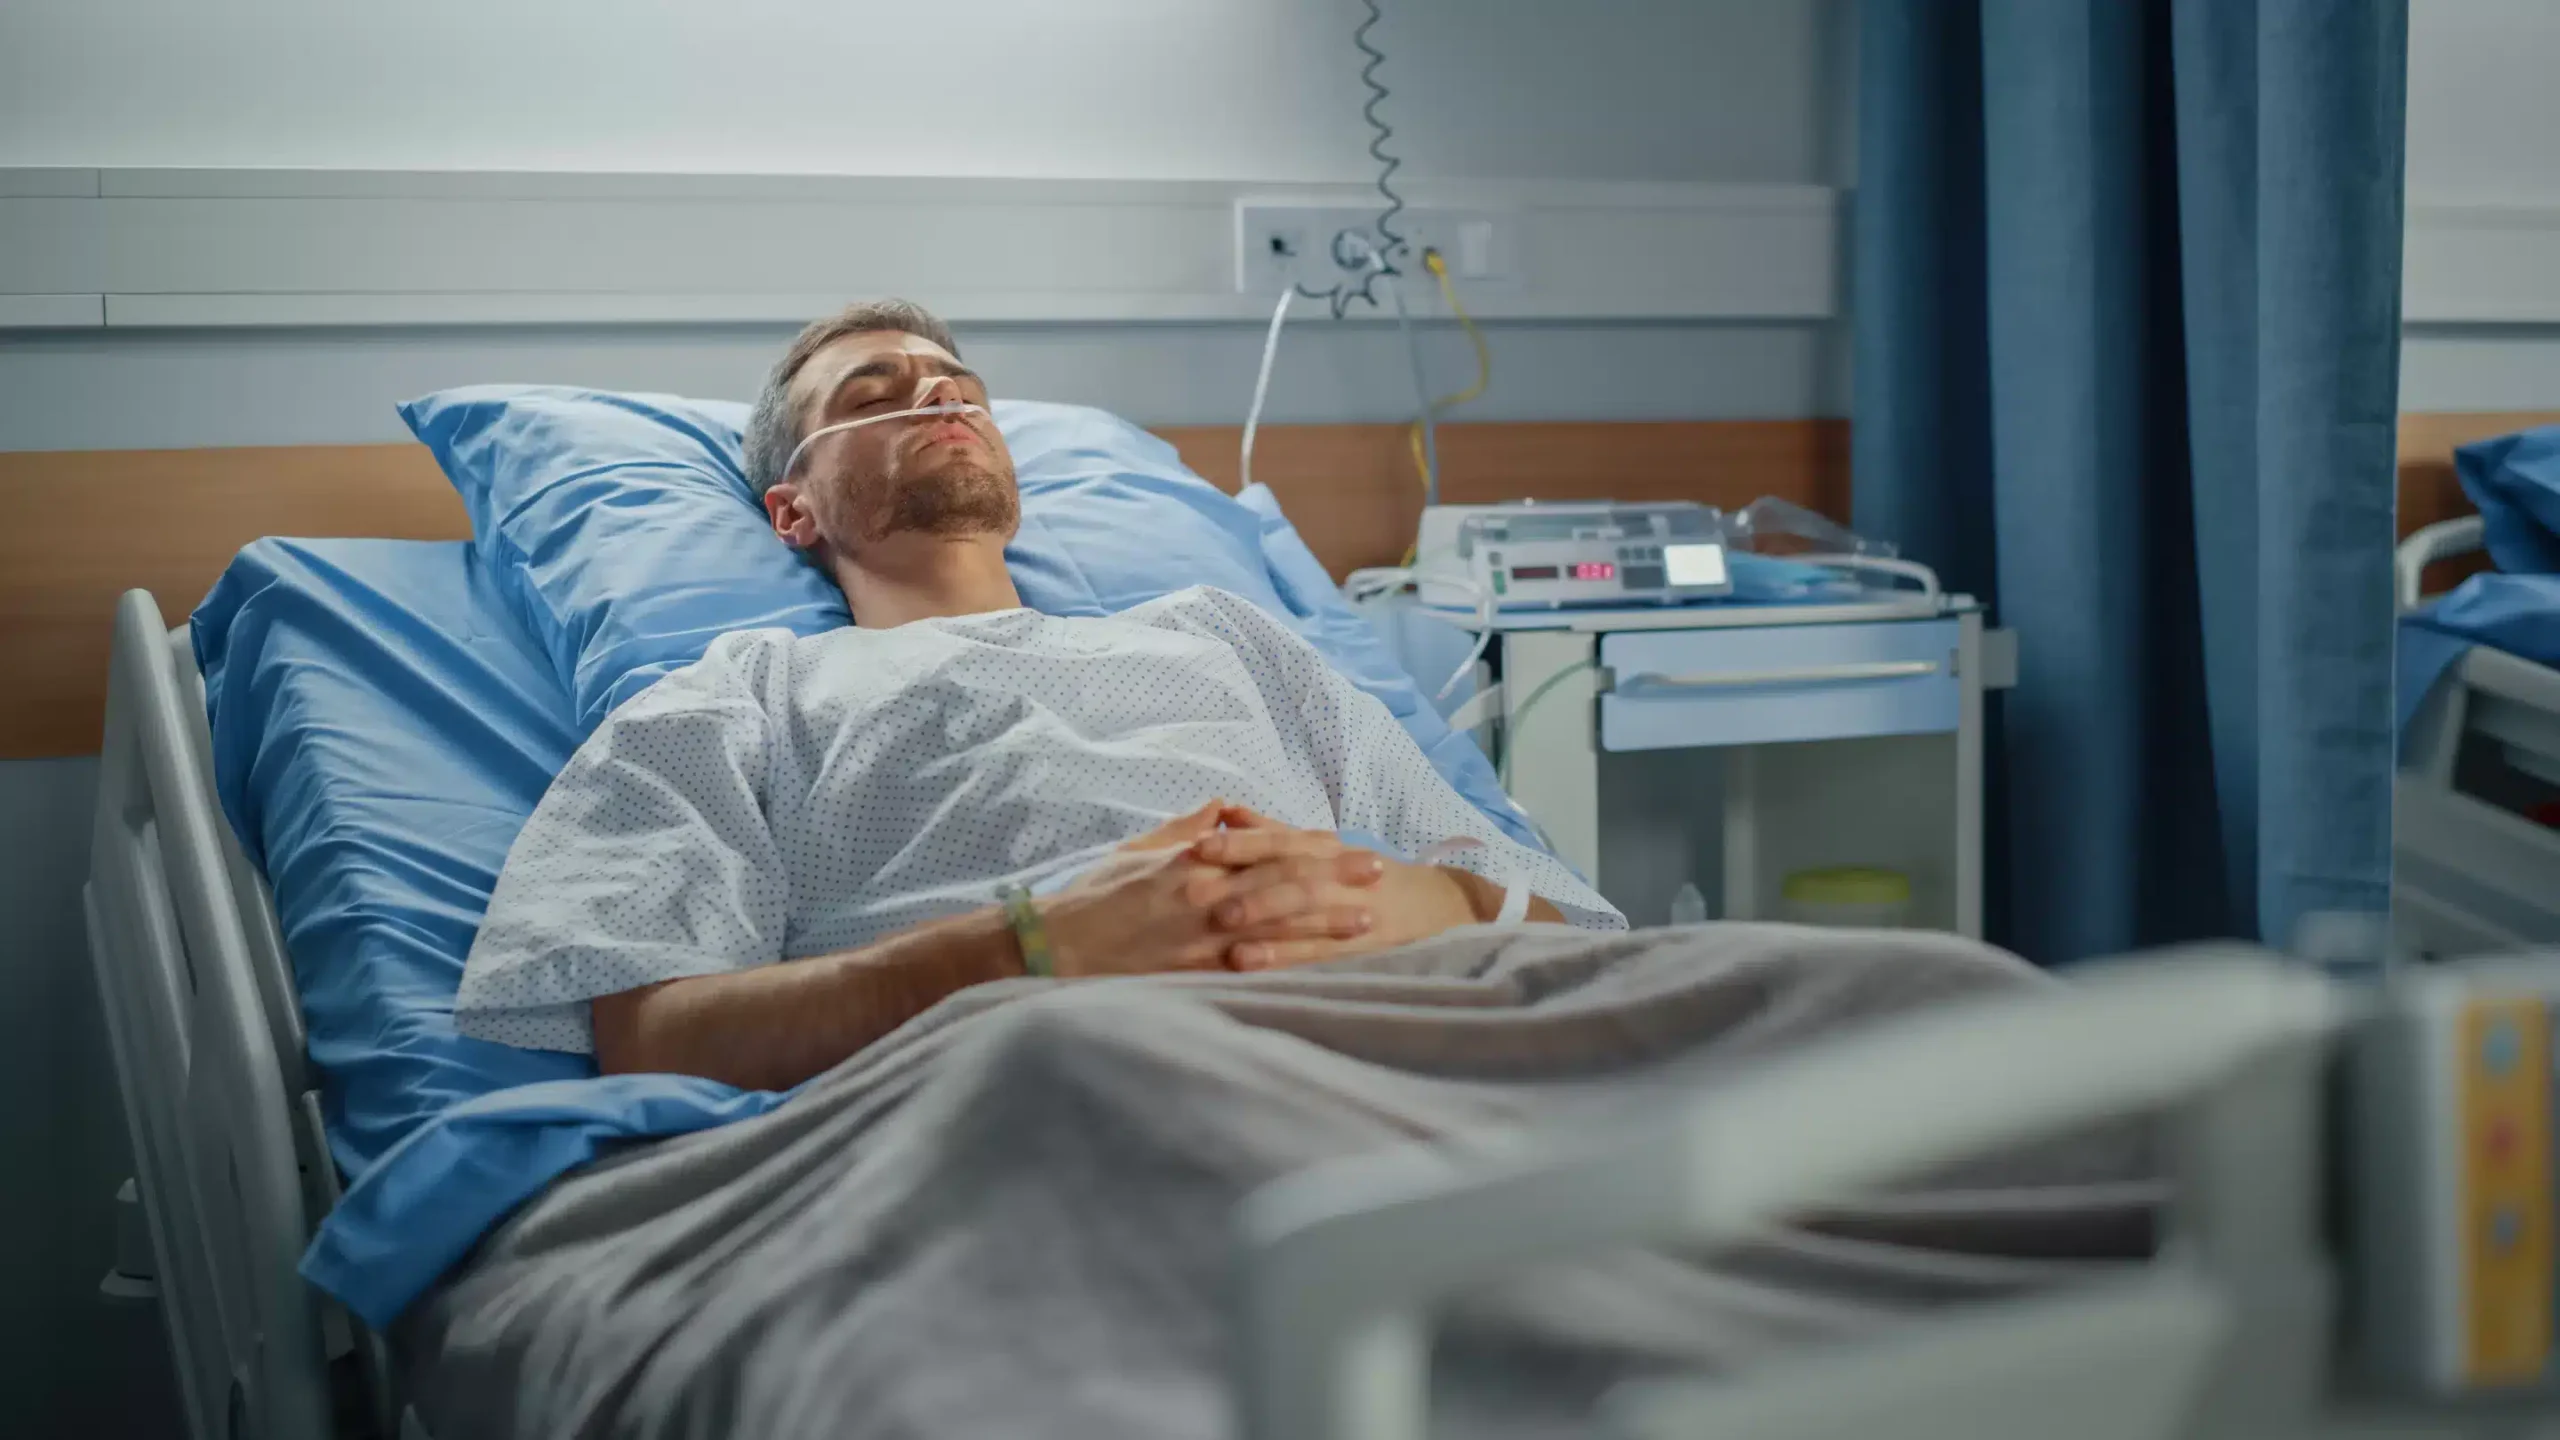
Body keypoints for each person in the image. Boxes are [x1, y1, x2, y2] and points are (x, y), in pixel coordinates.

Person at [453, 299, 1620, 1090]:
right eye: (876, 396)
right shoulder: (738, 699)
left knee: (1786, 993)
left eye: (960, 386)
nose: (941, 397)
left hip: (1400, 1040)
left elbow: (1559, 922)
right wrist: (1026, 949)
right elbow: (647, 1036)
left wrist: (1422, 907)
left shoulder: (1226, 640)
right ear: (792, 510)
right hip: (1044, 1081)